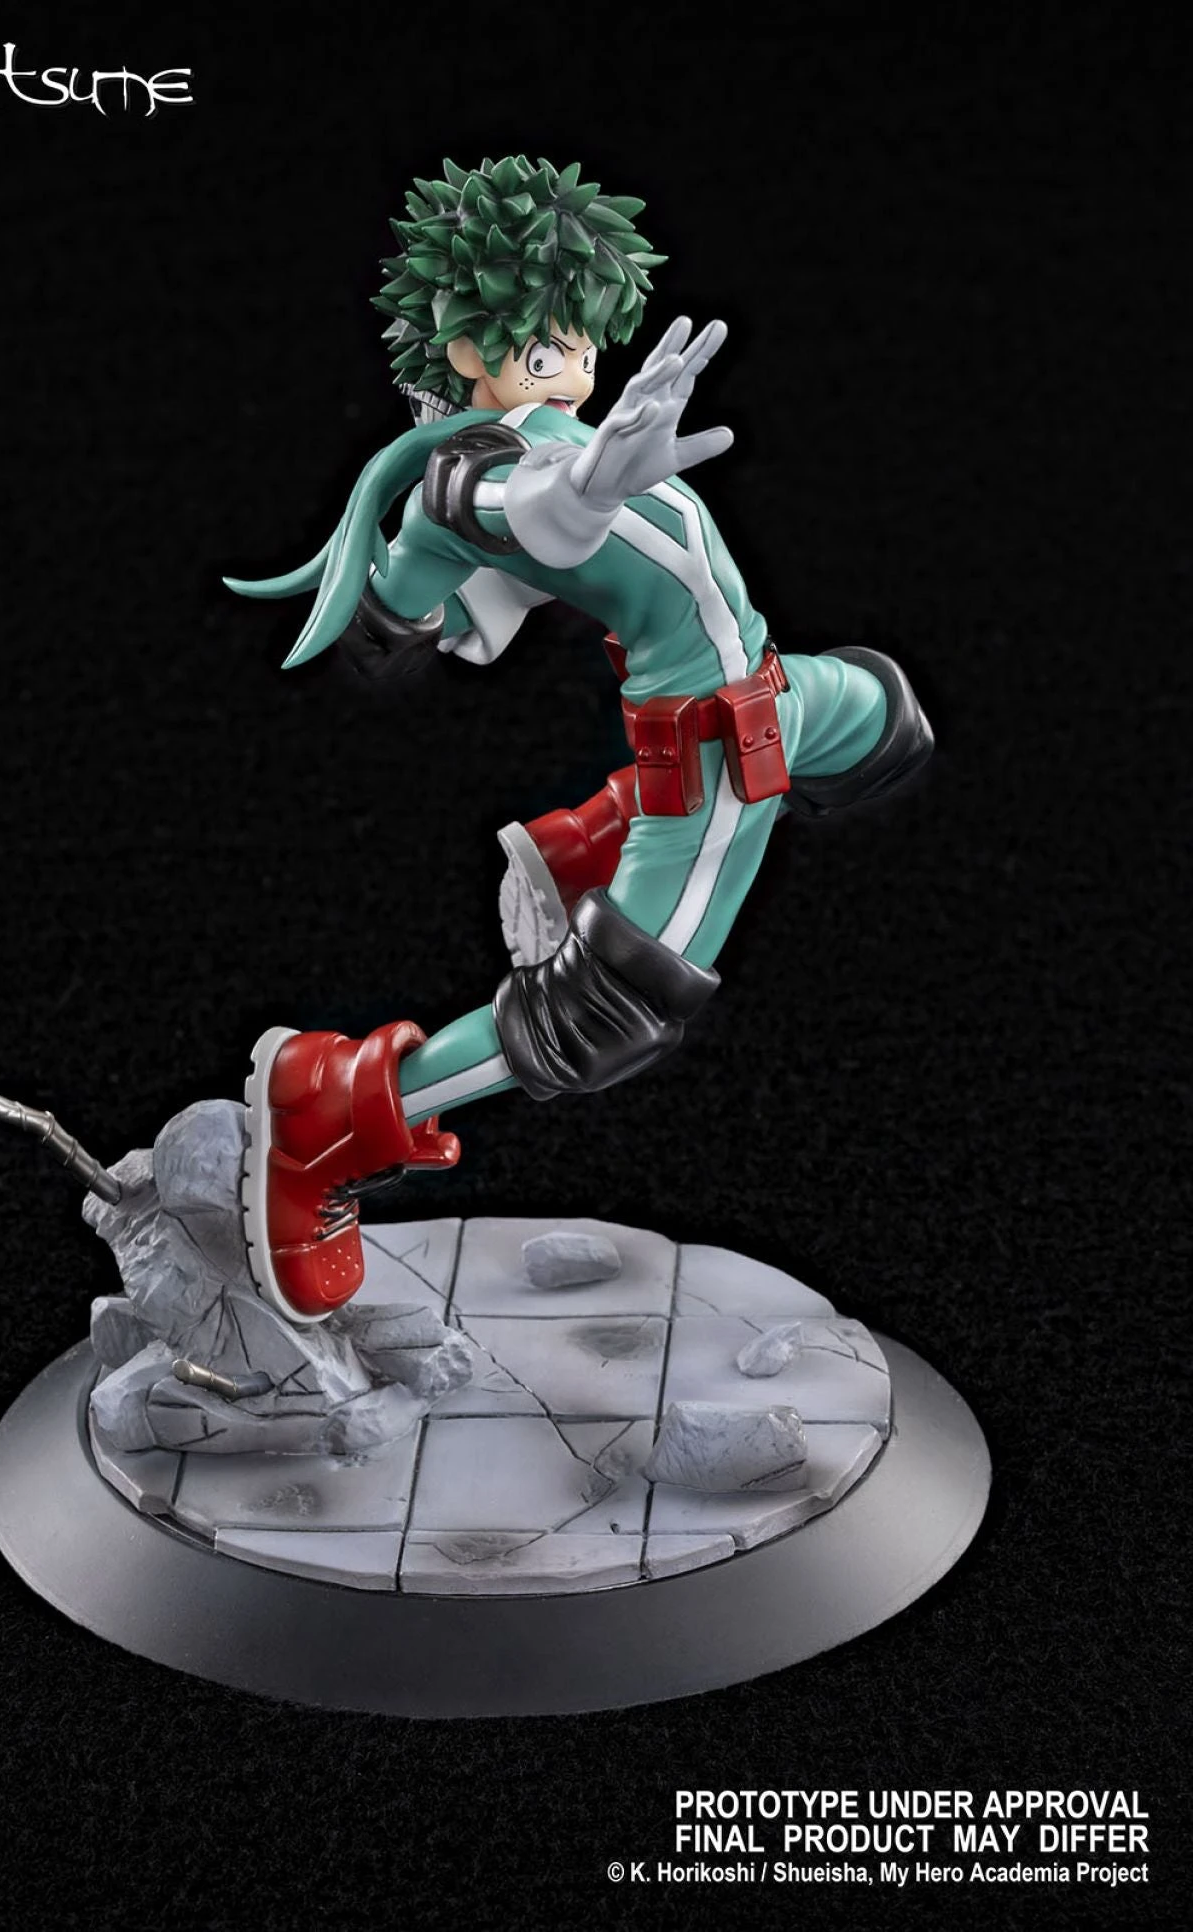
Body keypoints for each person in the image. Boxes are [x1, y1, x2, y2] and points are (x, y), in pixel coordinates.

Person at [225, 156, 931, 1324]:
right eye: (547, 345)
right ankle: (328, 1115)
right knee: (604, 1018)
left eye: (581, 340)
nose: (579, 366)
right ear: (467, 347)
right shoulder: (482, 477)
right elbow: (536, 513)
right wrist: (594, 481)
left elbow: (478, 590)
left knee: (891, 727)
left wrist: (577, 477)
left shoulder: (532, 444)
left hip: (773, 693)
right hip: (714, 752)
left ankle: (584, 848)